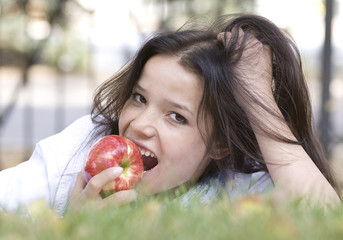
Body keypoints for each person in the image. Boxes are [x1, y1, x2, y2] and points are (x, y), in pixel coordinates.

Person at [0, 13, 340, 215]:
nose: (141, 124)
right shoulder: (79, 152)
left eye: (177, 116)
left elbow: (324, 219)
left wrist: (258, 101)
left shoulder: (237, 190)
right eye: (138, 98)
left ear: (220, 144)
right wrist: (70, 227)